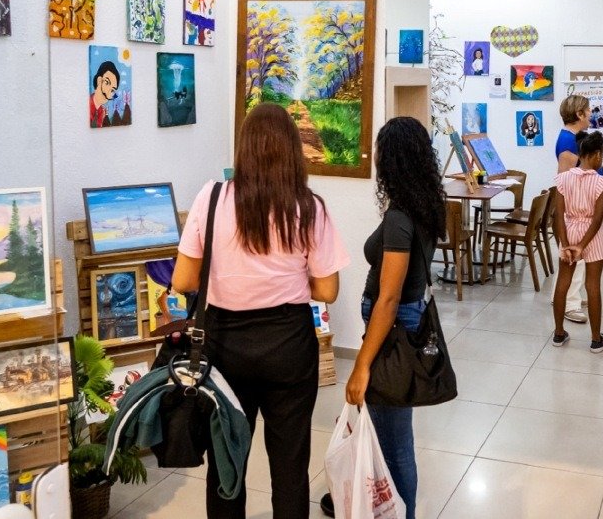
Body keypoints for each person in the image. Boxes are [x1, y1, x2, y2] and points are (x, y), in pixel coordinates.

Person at [172, 102, 348, 519]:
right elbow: (327, 289)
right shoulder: (309, 207)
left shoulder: (212, 198)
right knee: (290, 466)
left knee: (227, 462)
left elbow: (182, 280)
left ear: (244, 148)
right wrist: (288, 279)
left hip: (224, 346)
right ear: (292, 150)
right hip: (288, 344)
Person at [344, 117, 446, 519]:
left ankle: (403, 512)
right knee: (390, 429)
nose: (375, 156)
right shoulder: (424, 204)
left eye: (380, 149)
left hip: (392, 328)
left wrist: (361, 364)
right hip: (401, 321)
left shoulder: (401, 216)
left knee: (396, 441)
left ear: (393, 158)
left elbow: (388, 299)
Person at [550, 131, 603, 353]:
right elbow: (597, 219)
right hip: (591, 236)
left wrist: (567, 244)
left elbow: (558, 214)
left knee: (563, 283)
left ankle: (559, 333)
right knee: (592, 286)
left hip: (568, 230)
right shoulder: (601, 182)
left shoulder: (563, 179)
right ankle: (596, 339)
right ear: (597, 155)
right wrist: (582, 245)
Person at [554, 95, 595, 323]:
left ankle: (563, 296)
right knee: (573, 255)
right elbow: (565, 179)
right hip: (573, 209)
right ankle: (569, 303)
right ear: (579, 114)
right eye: (588, 111)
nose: (590, 115)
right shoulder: (568, 142)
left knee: (576, 256)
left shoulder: (572, 138)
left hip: (577, 207)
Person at [89, 60, 120, 127]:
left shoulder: (102, 112)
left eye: (113, 90)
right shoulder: (88, 105)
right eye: (107, 82)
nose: (109, 92)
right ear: (99, 80)